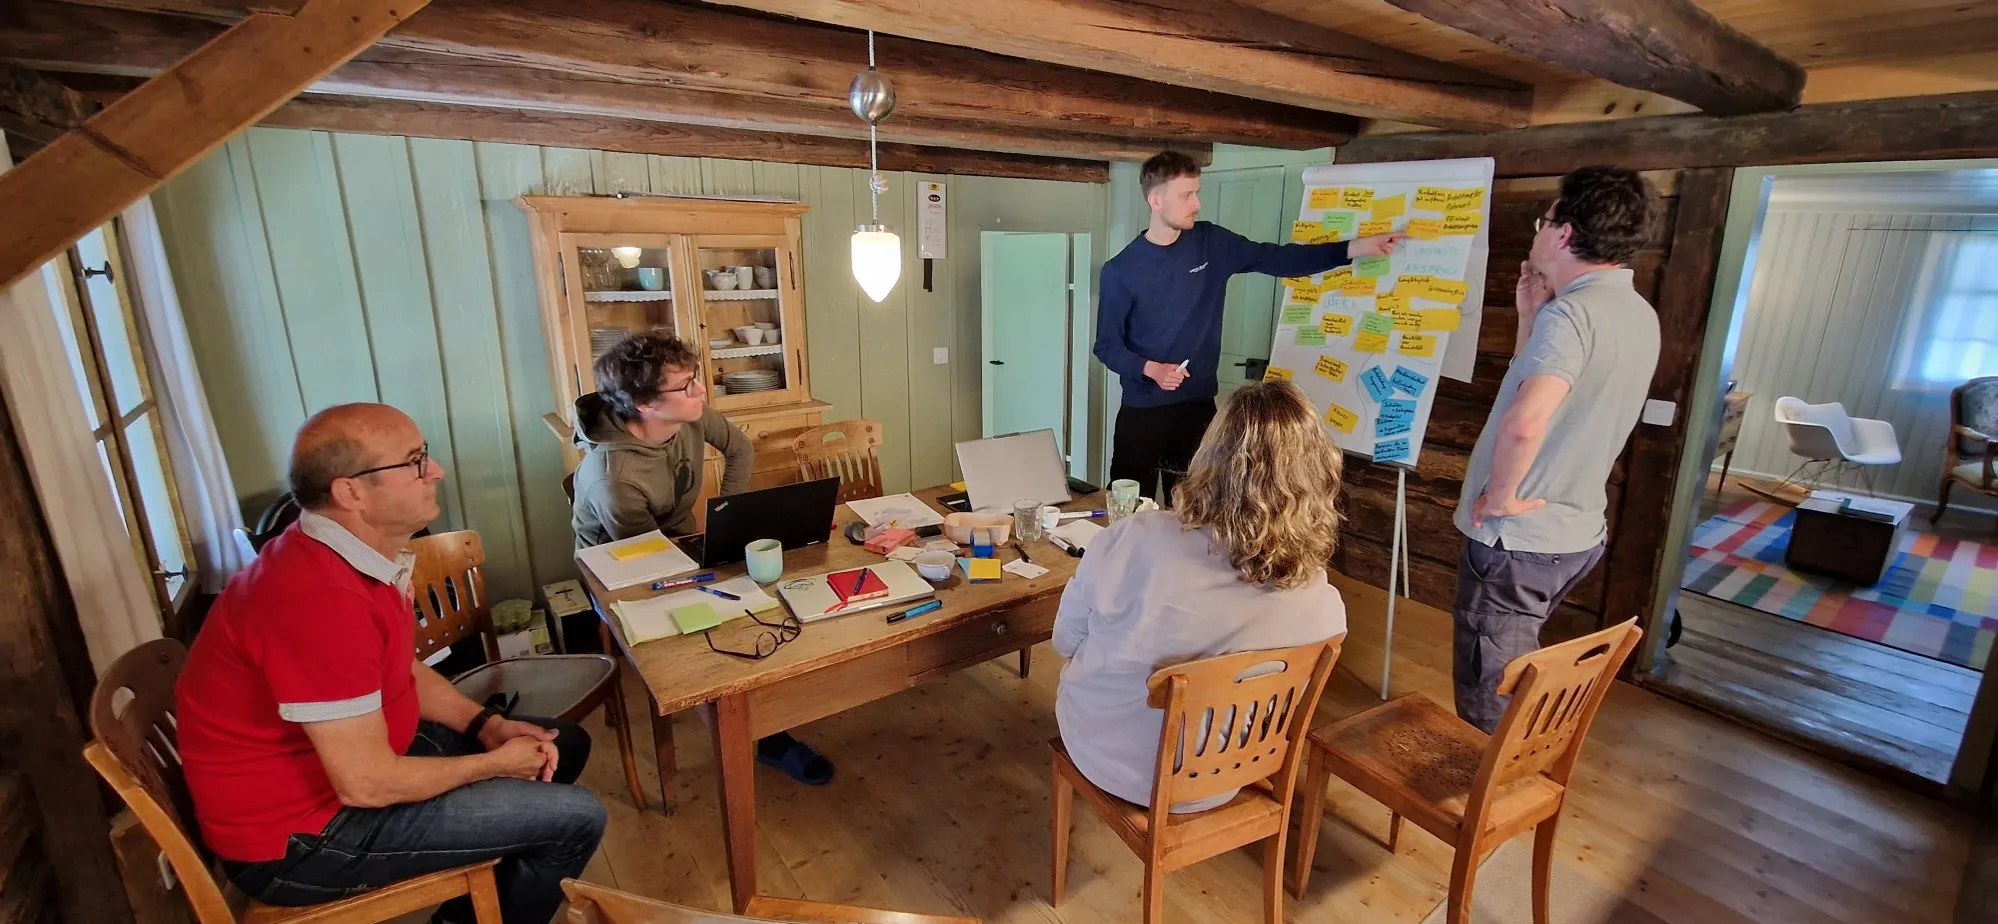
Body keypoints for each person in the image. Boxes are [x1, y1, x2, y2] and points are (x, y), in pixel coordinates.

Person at [177, 403, 606, 924]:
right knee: (578, 819)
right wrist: (494, 764)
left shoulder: (348, 555)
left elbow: (399, 670)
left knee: (564, 743)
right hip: (303, 839)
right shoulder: (315, 601)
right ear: (350, 491)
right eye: (415, 461)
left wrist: (485, 724)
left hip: (352, 772)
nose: (437, 471)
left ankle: (482, 896)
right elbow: (366, 784)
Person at [1052, 380, 1348, 811]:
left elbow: (1065, 643)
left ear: (1210, 456)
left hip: (1108, 756)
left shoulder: (1134, 537)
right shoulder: (1324, 605)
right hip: (1228, 774)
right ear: (1317, 474)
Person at [569, 333, 834, 786]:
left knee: (768, 590)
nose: (700, 391)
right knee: (705, 628)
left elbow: (741, 449)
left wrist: (729, 515)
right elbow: (650, 564)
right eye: (686, 385)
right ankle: (757, 735)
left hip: (681, 543)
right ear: (645, 405)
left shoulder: (686, 414)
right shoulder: (612, 479)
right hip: (622, 572)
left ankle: (765, 705)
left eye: (696, 379)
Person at [1451, 165, 1660, 734]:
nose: (1538, 233)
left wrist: (1501, 498)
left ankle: (1488, 804)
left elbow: (1526, 421)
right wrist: (1529, 319)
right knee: (1519, 661)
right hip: (1575, 534)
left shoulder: (1574, 314)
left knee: (1490, 688)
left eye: (1545, 221)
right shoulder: (1635, 311)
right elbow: (1543, 388)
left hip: (1519, 541)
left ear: (1564, 233)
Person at [1095, 150, 1404, 502]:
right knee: (1130, 512)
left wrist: (1354, 248)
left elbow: (1279, 258)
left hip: (1199, 409)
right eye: (1186, 195)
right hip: (1143, 411)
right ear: (1156, 199)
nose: (1196, 204)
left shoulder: (1212, 242)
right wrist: (1151, 369)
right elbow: (1107, 346)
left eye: (1197, 192)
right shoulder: (1121, 270)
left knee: (1199, 511)